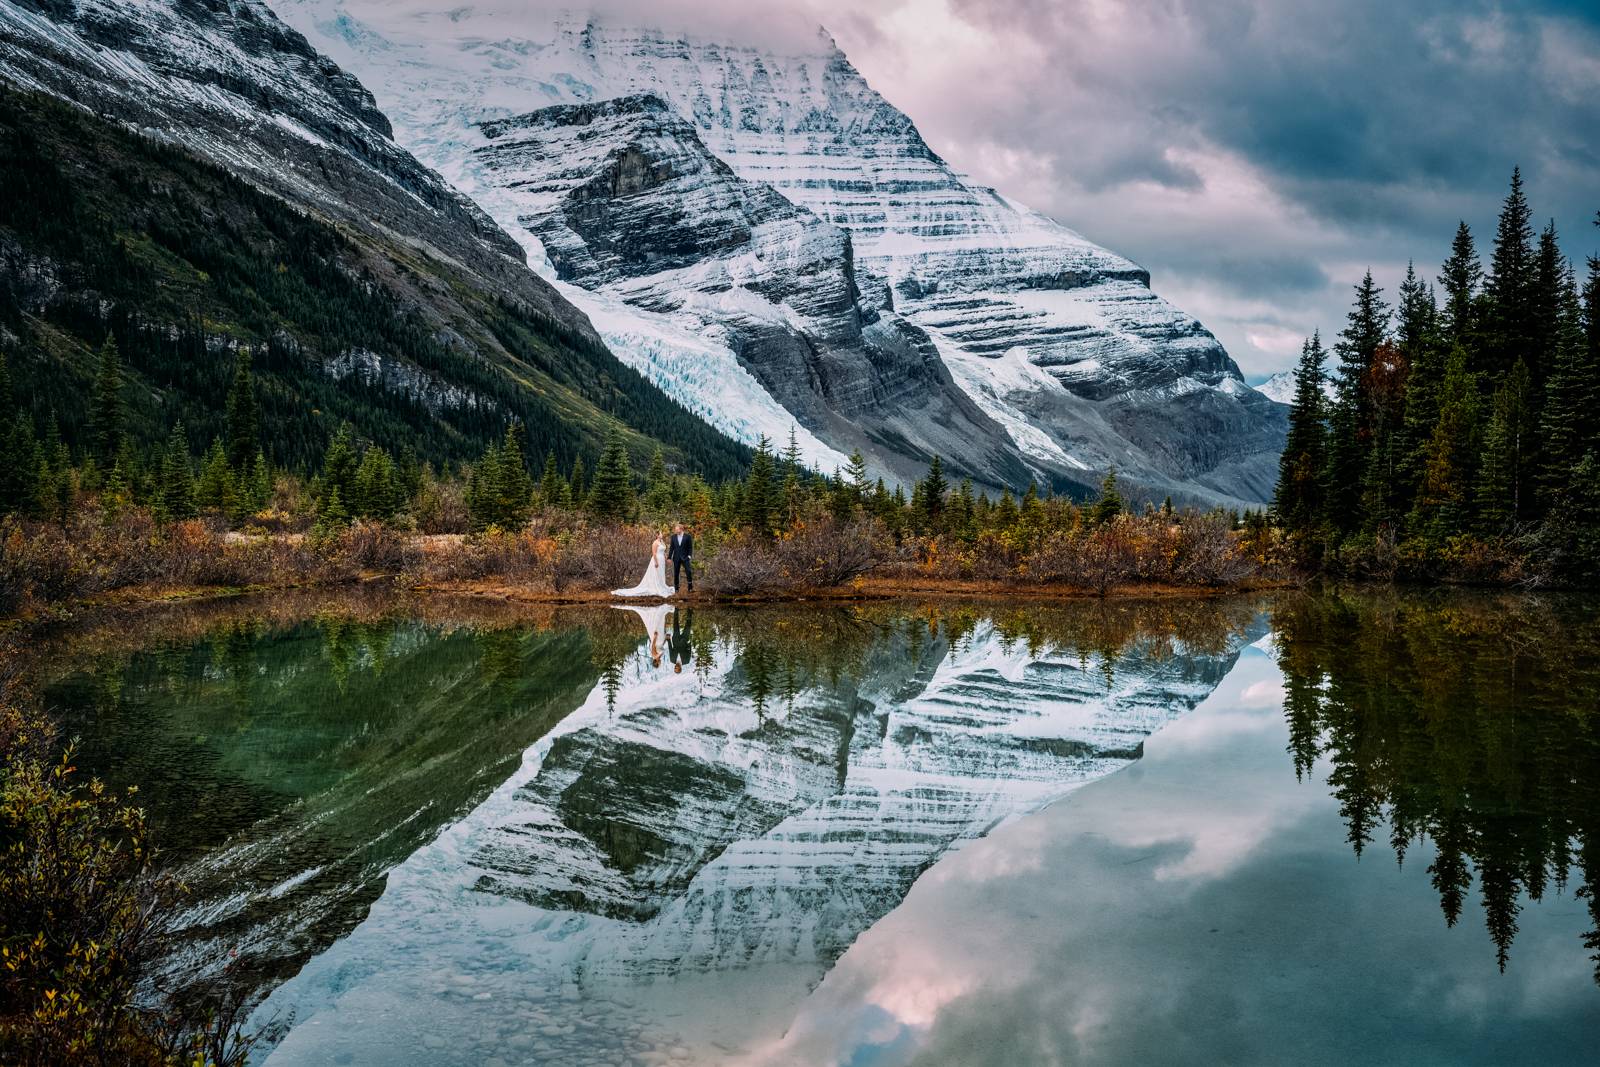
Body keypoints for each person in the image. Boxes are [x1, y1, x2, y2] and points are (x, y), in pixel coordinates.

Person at [611, 529, 674, 598]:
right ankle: (655, 587)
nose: (662, 535)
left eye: (661, 534)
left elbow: (663, 552)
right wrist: (656, 562)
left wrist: (666, 558)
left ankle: (661, 585)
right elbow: (654, 553)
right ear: (657, 535)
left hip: (662, 560)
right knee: (656, 573)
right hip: (657, 559)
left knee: (661, 573)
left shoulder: (662, 542)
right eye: (660, 534)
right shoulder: (655, 543)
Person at [667, 522, 694, 593]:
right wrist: (669, 557)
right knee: (676, 573)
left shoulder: (688, 537)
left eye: (677, 529)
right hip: (676, 558)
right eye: (675, 530)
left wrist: (689, 556)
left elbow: (690, 548)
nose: (675, 531)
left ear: (681, 529)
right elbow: (671, 548)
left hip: (685, 558)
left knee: (688, 571)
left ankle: (690, 587)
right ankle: (676, 588)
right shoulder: (673, 537)